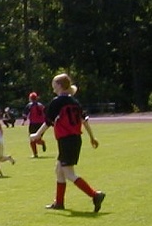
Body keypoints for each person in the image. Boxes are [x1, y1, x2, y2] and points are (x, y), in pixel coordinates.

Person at [29, 73, 105, 212]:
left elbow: (48, 121)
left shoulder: (57, 101)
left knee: (69, 173)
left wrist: (37, 134)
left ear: (59, 85)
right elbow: (84, 121)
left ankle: (95, 195)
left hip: (66, 140)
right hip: (75, 139)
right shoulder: (75, 102)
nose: (52, 87)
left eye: (54, 84)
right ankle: (59, 203)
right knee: (59, 170)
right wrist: (92, 137)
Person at [22, 92, 48, 158]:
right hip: (41, 124)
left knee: (32, 139)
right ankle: (41, 143)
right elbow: (46, 113)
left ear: (30, 98)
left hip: (33, 124)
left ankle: (35, 153)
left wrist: (23, 121)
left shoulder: (29, 105)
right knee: (37, 139)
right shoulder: (41, 105)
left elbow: (25, 115)